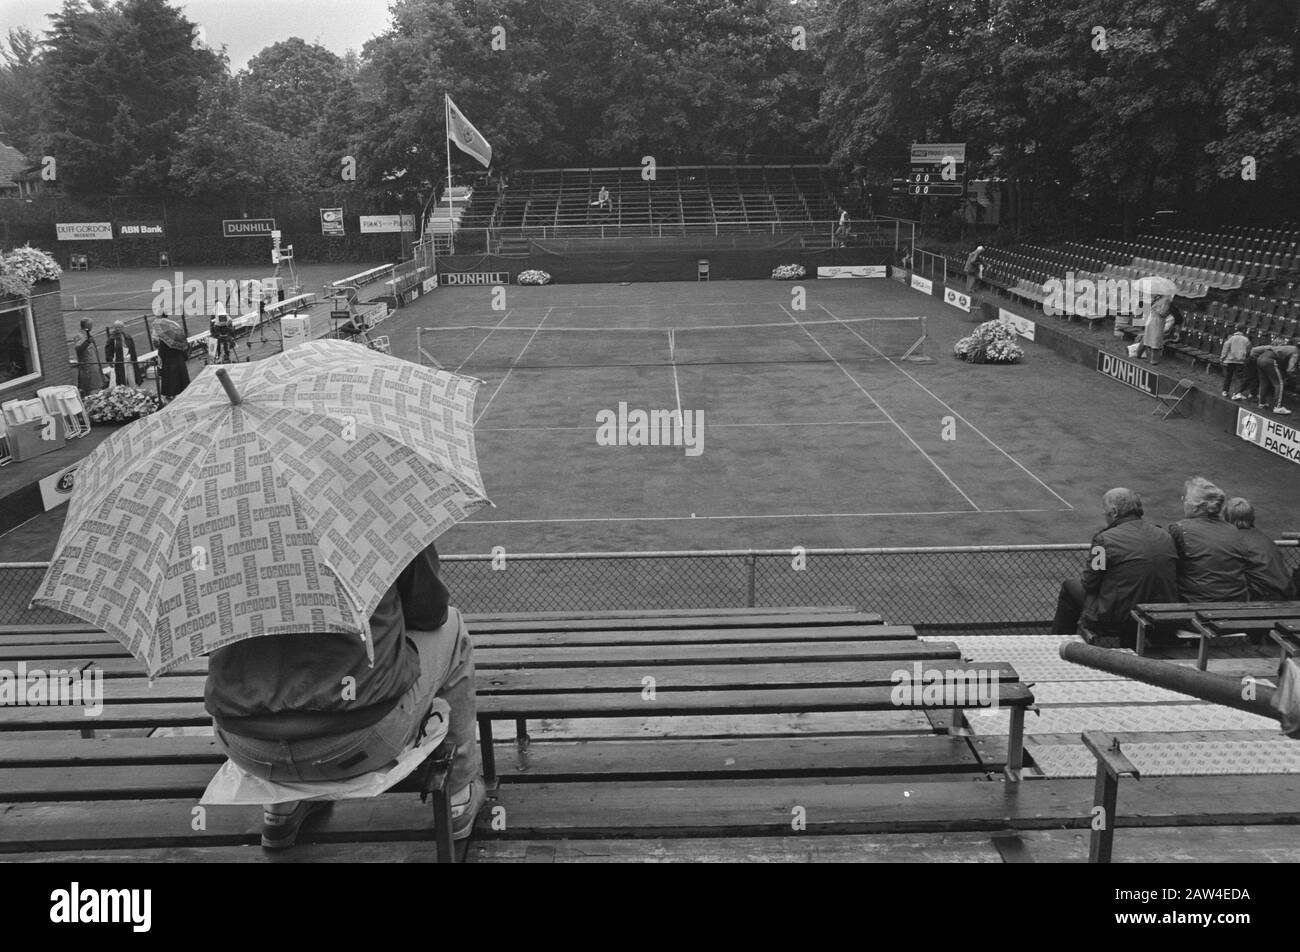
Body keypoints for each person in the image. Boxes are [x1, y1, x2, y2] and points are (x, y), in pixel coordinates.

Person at [205, 543, 486, 849]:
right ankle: (458, 797)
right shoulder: (383, 513)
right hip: (359, 742)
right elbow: (431, 615)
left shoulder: (219, 534)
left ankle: (281, 808)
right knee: (453, 625)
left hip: (246, 748)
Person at [1052, 488, 1177, 649]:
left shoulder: (1103, 540)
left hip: (1117, 617)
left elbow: (1090, 582)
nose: (1104, 515)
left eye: (1105, 511)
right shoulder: (1165, 536)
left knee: (1070, 586)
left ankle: (1059, 645)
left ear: (1114, 512)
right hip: (1160, 614)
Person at [1168, 476, 1249, 602]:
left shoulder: (1179, 529)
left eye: (1185, 499)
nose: (1183, 502)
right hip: (1236, 604)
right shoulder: (1233, 530)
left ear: (1196, 506)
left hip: (1196, 606)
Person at [1223, 497, 1296, 601]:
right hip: (1286, 592)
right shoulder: (1264, 538)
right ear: (1251, 517)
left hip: (1265, 596)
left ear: (1227, 517)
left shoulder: (1234, 540)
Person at [154, 328, 190, 403]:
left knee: (171, 381)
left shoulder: (164, 342)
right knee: (182, 380)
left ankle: (172, 396)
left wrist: (160, 368)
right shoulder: (180, 340)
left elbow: (161, 354)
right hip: (180, 362)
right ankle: (184, 394)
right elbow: (185, 351)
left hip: (169, 363)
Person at [1137, 295, 1175, 366]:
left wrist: (1155, 309)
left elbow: (1163, 313)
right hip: (1151, 321)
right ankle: (1148, 358)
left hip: (1158, 322)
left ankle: (1154, 360)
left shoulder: (1166, 300)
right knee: (1148, 340)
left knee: (1155, 341)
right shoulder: (1157, 298)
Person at [104, 321, 143, 388]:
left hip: (129, 359)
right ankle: (122, 391)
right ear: (114, 328)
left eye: (120, 327)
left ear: (123, 327)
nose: (118, 329)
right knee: (121, 378)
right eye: (116, 327)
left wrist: (134, 358)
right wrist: (109, 360)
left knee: (132, 377)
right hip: (120, 361)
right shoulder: (112, 338)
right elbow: (108, 350)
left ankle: (134, 389)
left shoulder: (127, 336)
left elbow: (132, 348)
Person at [74, 318, 105, 396]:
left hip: (94, 365)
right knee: (92, 388)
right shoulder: (79, 336)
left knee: (97, 386)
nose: (92, 327)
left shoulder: (87, 334)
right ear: (87, 326)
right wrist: (87, 342)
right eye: (91, 325)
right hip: (88, 367)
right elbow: (78, 348)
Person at [1221, 325, 1251, 398]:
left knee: (1228, 376)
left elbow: (1226, 347)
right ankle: (1236, 393)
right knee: (1239, 377)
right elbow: (1248, 350)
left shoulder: (1231, 338)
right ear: (1243, 330)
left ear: (1236, 330)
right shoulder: (1246, 340)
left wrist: (1222, 358)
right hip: (1240, 361)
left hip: (1230, 360)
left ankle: (1225, 391)